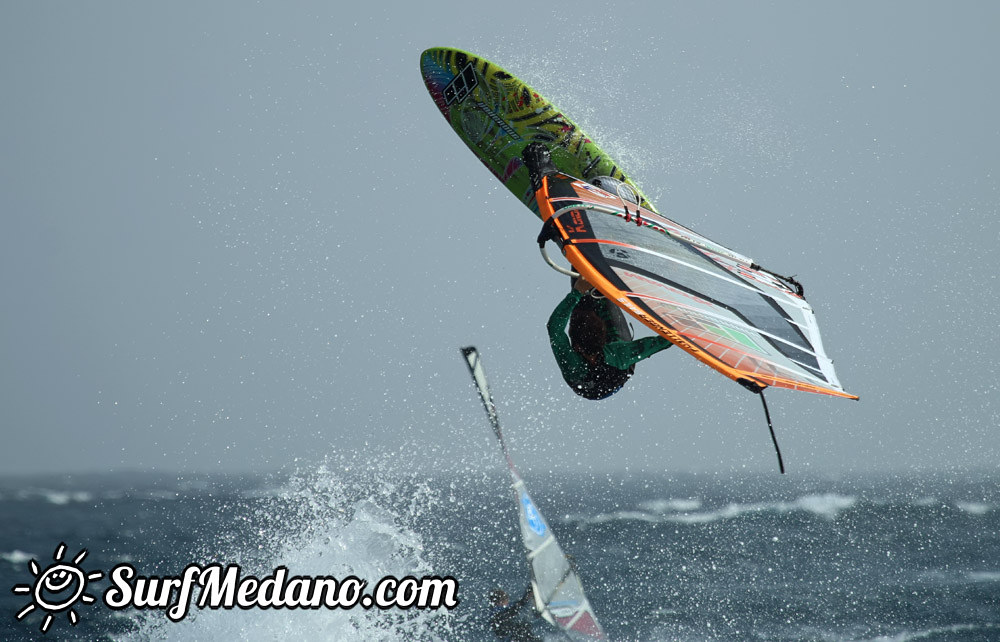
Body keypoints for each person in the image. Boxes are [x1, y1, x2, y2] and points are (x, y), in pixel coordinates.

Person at [548, 276, 673, 399]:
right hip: (616, 371)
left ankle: (585, 274)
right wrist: (688, 338)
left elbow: (554, 328)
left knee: (582, 297)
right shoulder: (618, 354)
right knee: (601, 296)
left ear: (576, 346)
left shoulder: (571, 363)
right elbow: (659, 343)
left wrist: (576, 293)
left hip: (594, 369)